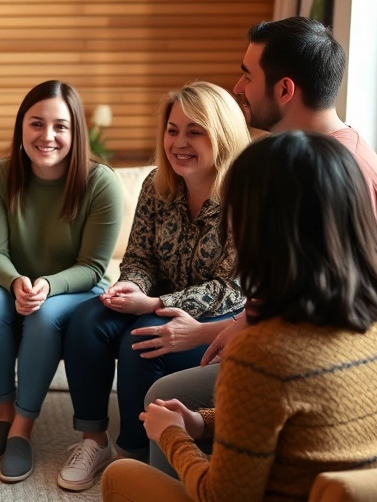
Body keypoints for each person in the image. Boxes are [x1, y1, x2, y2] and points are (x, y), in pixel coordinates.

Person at [144, 17, 377, 476]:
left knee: (163, 397)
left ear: (285, 90)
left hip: (321, 361)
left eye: (248, 74)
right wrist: (234, 324)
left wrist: (234, 336)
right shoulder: (321, 156)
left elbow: (313, 312)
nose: (237, 86)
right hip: (305, 340)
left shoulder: (327, 176)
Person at [101, 131, 377, 502]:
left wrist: (174, 434)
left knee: (121, 475)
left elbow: (220, 495)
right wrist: (199, 421)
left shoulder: (263, 353)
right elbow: (303, 419)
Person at [57, 82, 249, 491]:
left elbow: (232, 288)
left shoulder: (245, 197)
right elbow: (140, 257)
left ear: (223, 135)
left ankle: (134, 457)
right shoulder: (155, 185)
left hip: (218, 320)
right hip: (153, 300)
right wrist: (130, 287)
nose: (179, 142)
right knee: (87, 319)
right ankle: (94, 440)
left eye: (194, 131)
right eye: (173, 129)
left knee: (140, 343)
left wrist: (155, 301)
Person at [0, 80, 124, 483]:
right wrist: (18, 281)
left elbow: (92, 266)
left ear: (76, 132)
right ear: (21, 127)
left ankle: (22, 427)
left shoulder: (101, 183)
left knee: (44, 315)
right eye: (36, 123)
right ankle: (3, 416)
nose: (47, 136)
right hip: (13, 281)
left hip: (74, 288)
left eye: (60, 126)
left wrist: (47, 287)